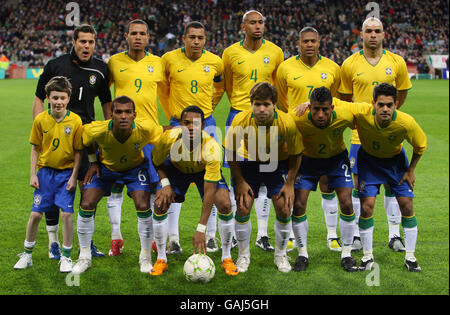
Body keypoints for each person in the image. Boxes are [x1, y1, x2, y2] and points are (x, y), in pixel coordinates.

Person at [32, 24, 112, 259]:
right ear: (74, 42)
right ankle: (54, 243)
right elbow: (38, 98)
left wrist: (107, 133)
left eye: (91, 42)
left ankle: (87, 243)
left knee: (89, 191)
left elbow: (106, 103)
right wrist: (42, 127)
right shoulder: (55, 66)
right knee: (52, 191)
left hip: (87, 138)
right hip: (57, 139)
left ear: (95, 44)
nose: (86, 46)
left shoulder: (100, 69)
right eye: (82, 41)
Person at [338, 17, 412, 252]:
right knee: (360, 188)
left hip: (390, 136)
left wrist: (391, 117)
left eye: (376, 31)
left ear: (383, 34)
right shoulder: (349, 63)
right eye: (368, 31)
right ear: (361, 34)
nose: (372, 35)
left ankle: (394, 235)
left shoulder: (396, 61)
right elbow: (345, 99)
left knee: (393, 184)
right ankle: (359, 235)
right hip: (360, 138)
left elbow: (401, 93)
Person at [334, 83, 426, 272]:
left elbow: (420, 146)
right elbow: (334, 102)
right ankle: (367, 257)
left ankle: (410, 256)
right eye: (381, 104)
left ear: (396, 104)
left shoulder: (406, 122)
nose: (385, 109)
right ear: (373, 103)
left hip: (396, 164)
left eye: (389, 105)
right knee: (367, 207)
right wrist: (306, 105)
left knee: (407, 205)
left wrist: (411, 170)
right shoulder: (361, 112)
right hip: (369, 162)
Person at [72, 96, 163, 274]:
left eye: (128, 112)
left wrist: (162, 178)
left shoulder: (146, 127)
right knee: (86, 203)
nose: (123, 116)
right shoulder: (97, 130)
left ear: (134, 115)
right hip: (106, 169)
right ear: (111, 115)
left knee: (143, 205)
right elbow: (84, 139)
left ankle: (145, 257)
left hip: (135, 169)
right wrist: (93, 162)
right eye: (118, 112)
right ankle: (84, 257)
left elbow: (162, 141)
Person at [158, 21, 225, 253]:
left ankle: (211, 236)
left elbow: (220, 87)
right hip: (179, 123)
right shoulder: (168, 59)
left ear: (205, 39)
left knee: (211, 179)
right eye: (192, 37)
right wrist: (171, 116)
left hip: (208, 123)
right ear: (183, 38)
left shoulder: (215, 62)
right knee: (176, 178)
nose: (196, 41)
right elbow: (162, 88)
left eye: (201, 38)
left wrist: (210, 107)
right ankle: (173, 239)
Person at [276, 26, 343, 252]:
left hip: (324, 135)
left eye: (313, 41)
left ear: (319, 42)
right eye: (305, 41)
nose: (309, 45)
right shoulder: (285, 67)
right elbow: (279, 102)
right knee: (295, 189)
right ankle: (295, 238)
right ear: (298, 43)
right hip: (297, 137)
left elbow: (336, 99)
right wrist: (294, 115)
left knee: (327, 184)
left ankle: (332, 235)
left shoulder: (332, 67)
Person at [222, 10, 285, 251]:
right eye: (252, 22)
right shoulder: (230, 53)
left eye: (261, 22)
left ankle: (262, 234)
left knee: (267, 172)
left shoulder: (275, 52)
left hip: (267, 119)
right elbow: (228, 84)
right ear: (243, 26)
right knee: (235, 174)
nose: (257, 26)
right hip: (238, 114)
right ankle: (231, 232)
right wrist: (241, 108)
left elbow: (278, 87)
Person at [150, 106, 238, 276]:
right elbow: (156, 162)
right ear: (180, 124)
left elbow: (210, 191)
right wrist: (165, 183)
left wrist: (201, 229)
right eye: (186, 123)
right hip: (176, 170)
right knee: (160, 203)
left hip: (202, 171)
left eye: (196, 123)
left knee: (225, 204)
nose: (191, 127)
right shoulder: (168, 138)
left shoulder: (211, 147)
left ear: (203, 126)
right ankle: (161, 259)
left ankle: (227, 258)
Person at [224, 82, 302, 273]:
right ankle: (243, 256)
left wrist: (290, 182)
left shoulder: (286, 122)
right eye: (257, 104)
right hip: (249, 163)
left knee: (284, 208)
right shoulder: (241, 120)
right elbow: (230, 151)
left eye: (266, 104)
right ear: (251, 104)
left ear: (274, 104)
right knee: (242, 207)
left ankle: (281, 255)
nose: (261, 109)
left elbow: (297, 153)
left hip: (276, 164)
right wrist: (240, 181)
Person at [106, 19, 165, 256]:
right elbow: (104, 95)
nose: (138, 37)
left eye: (142, 34)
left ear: (148, 38)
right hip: (121, 136)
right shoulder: (114, 62)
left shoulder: (158, 63)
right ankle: (115, 237)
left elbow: (171, 91)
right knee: (115, 188)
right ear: (126, 36)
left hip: (150, 136)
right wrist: (110, 123)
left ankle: (150, 239)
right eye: (133, 33)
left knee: (150, 189)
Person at [14, 76, 83, 273]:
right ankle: (27, 255)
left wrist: (73, 176)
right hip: (45, 175)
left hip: (66, 175)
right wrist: (33, 174)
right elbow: (35, 149)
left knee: (67, 215)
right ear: (48, 98)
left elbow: (78, 151)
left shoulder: (75, 121)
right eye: (55, 98)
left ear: (68, 98)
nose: (59, 102)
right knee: (35, 214)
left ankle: (67, 257)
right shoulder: (41, 120)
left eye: (62, 98)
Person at [289, 87, 357, 272]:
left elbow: (366, 113)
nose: (320, 114)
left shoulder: (345, 114)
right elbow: (278, 122)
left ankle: (347, 254)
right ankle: (302, 254)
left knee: (347, 203)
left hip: (336, 160)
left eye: (325, 110)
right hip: (307, 161)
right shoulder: (297, 116)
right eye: (316, 109)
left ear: (332, 107)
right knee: (299, 204)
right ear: (309, 107)